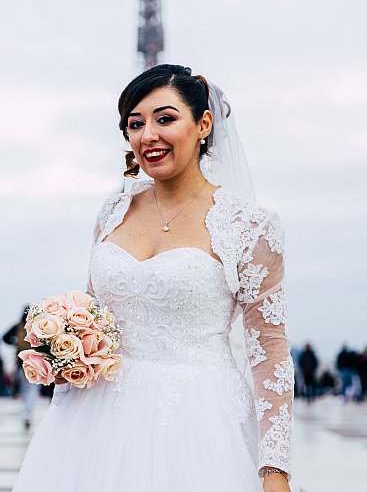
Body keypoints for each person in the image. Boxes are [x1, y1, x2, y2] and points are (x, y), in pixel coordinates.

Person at [13, 65, 298, 492]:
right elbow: (97, 313)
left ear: (204, 124)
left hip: (199, 423)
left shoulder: (250, 226)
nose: (148, 135)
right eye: (135, 123)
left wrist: (274, 468)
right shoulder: (113, 211)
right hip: (92, 421)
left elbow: (269, 351)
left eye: (165, 119)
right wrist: (66, 345)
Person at [3, 307, 40, 428]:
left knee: (24, 388)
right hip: (35, 362)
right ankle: (28, 410)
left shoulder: (18, 326)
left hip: (20, 362)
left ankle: (26, 410)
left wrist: (15, 342)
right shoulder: (36, 326)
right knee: (33, 388)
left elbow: (4, 338)